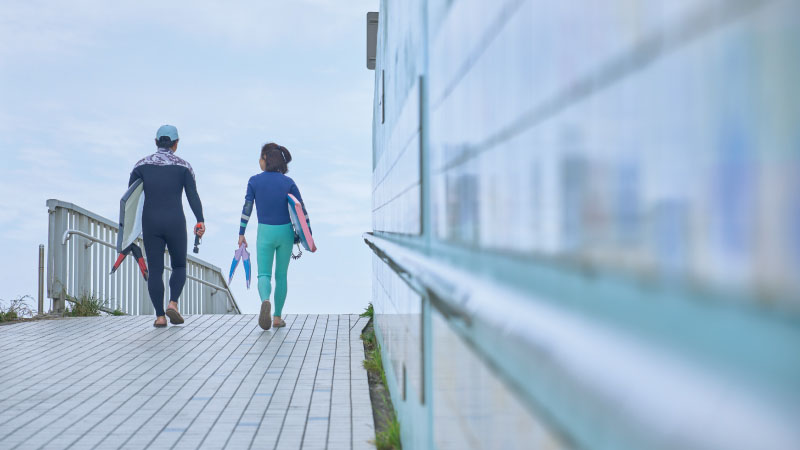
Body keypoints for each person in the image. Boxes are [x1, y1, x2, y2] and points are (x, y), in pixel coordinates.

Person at [129, 125, 206, 327]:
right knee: (179, 265)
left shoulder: (140, 166)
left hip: (151, 222)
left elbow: (130, 200)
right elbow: (192, 196)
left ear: (156, 142)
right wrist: (200, 220)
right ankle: (173, 303)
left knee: (155, 270)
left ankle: (160, 316)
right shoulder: (184, 167)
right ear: (176, 144)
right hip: (175, 221)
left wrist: (128, 231)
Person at [238, 143, 307, 330]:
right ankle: (277, 317)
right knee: (281, 275)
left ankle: (265, 300)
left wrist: (241, 233)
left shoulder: (254, 181)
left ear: (266, 159)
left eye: (260, 157)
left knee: (264, 274)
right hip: (285, 232)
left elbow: (247, 209)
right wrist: (305, 236)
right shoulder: (288, 182)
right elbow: (302, 211)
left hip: (265, 232)